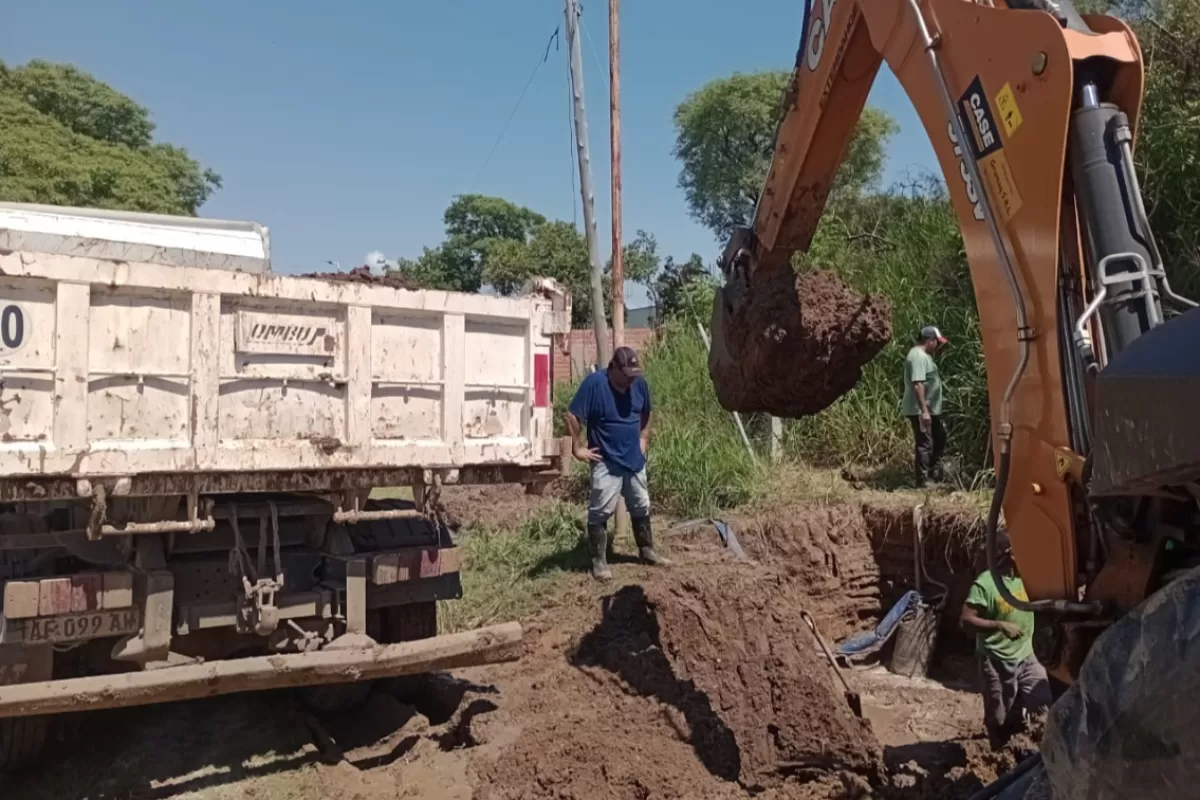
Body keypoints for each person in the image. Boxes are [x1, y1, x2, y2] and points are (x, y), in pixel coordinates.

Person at [564, 346, 670, 582]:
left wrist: (644, 437)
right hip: (606, 460)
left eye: (634, 375)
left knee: (641, 505)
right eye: (626, 375)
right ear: (613, 368)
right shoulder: (595, 384)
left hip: (634, 459)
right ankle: (600, 561)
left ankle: (647, 550)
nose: (630, 380)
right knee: (600, 510)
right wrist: (577, 447)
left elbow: (647, 412)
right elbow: (572, 415)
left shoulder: (639, 384)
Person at [959, 528, 1052, 746]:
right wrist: (999, 625)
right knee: (1000, 718)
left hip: (1028, 654)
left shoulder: (1027, 577)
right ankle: (999, 754)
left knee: (1042, 703)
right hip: (996, 660)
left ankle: (1041, 746)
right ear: (1010, 554)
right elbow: (965, 620)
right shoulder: (986, 584)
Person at [902, 325, 948, 488]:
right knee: (925, 443)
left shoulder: (924, 355)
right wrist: (924, 411)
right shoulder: (918, 357)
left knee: (939, 437)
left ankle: (933, 472)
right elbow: (918, 384)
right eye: (937, 342)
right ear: (930, 340)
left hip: (929, 409)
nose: (938, 345)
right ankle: (922, 480)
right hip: (921, 410)